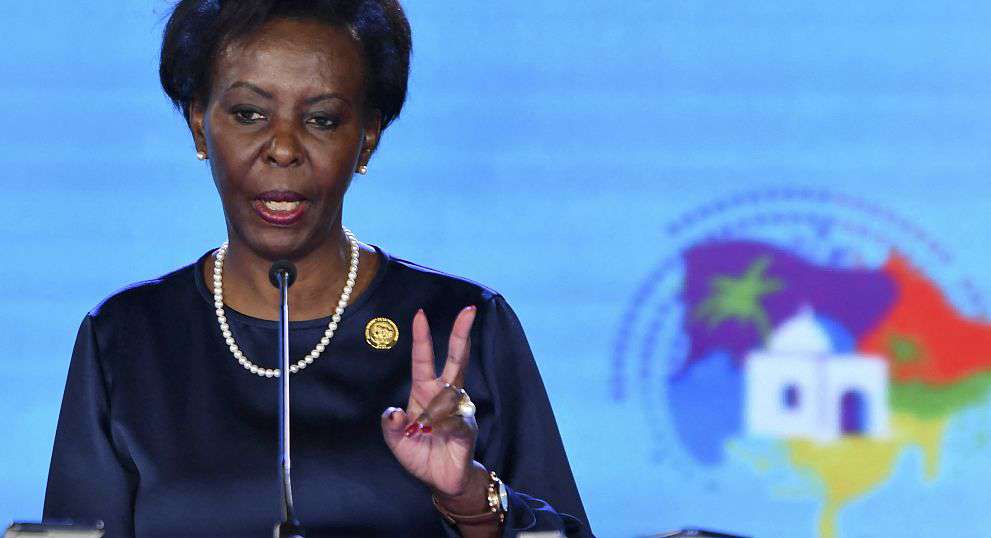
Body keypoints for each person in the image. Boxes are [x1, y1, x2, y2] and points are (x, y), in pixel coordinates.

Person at [41, 1, 592, 537]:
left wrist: (470, 501)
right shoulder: (126, 337)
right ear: (199, 125)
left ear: (367, 138)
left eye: (322, 119)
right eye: (249, 114)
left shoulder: (460, 327)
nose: (283, 149)